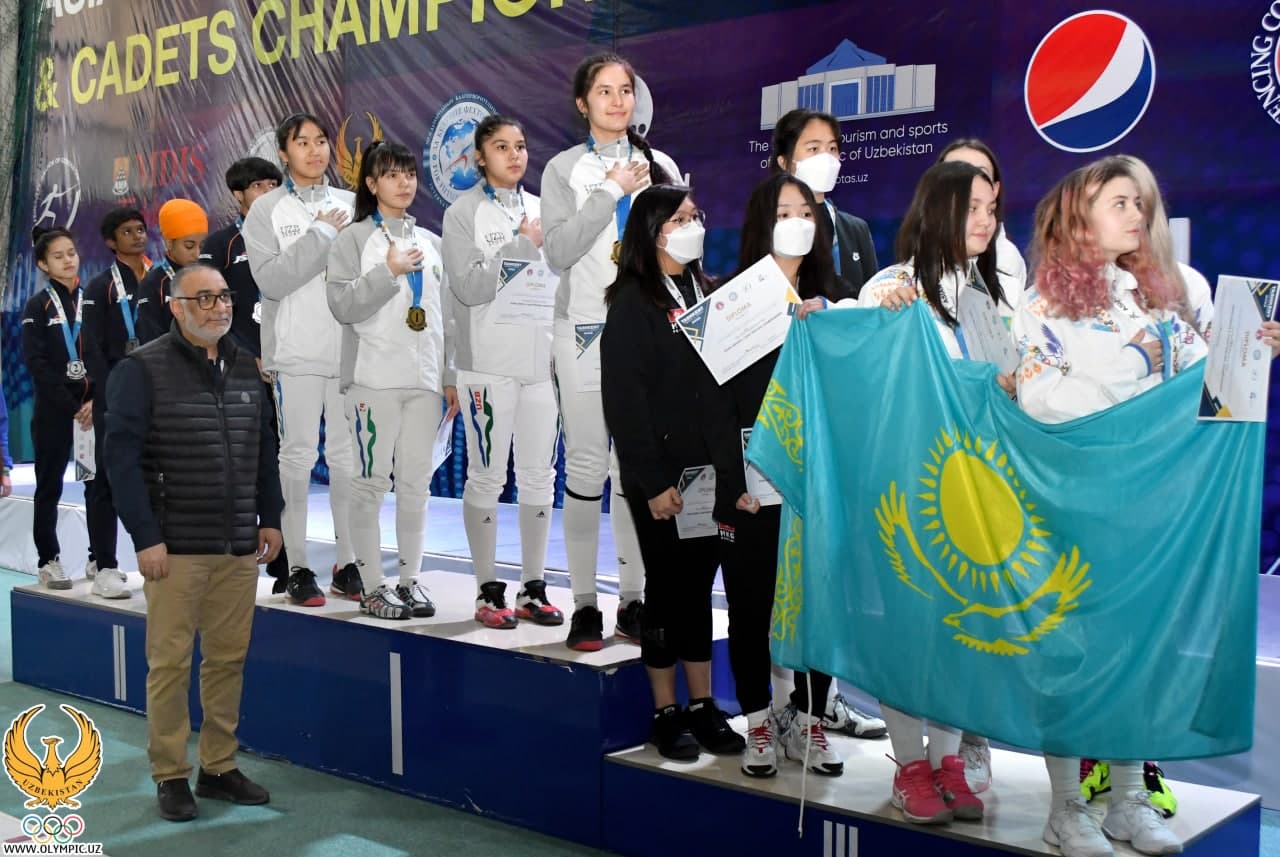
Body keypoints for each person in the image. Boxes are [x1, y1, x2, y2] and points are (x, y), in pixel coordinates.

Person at [856, 160, 1007, 824]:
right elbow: (859, 372)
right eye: (972, 207)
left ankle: (948, 763)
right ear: (938, 209)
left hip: (974, 493)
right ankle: (909, 766)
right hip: (906, 494)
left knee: (959, 633)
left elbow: (1003, 391)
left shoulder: (986, 299)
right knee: (909, 631)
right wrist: (875, 317)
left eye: (992, 209)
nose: (985, 221)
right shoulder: (891, 287)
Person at [105, 264, 283, 822]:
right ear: (176, 306)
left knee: (227, 660)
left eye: (224, 297)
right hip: (175, 548)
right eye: (203, 298)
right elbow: (120, 461)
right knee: (170, 665)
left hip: (238, 547)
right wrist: (146, 537)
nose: (219, 307)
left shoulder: (247, 365)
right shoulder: (141, 369)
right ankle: (170, 774)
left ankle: (219, 767)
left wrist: (270, 517)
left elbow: (264, 449)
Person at [600, 184, 744, 760]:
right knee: (666, 588)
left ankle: (703, 705)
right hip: (660, 477)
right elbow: (625, 403)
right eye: (681, 219)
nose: (694, 225)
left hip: (708, 470)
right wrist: (654, 482)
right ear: (653, 231)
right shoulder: (632, 303)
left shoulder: (706, 291)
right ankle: (665, 710)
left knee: (698, 588)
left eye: (695, 216)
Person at [542, 52, 680, 651]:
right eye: (604, 90)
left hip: (646, 330)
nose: (618, 100)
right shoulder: (563, 169)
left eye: (625, 90)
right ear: (583, 103)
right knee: (586, 467)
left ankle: (633, 599)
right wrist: (608, 192)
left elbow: (681, 247)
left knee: (636, 470)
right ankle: (583, 605)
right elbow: (558, 251)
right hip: (585, 327)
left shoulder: (661, 164)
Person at [719, 173, 847, 779]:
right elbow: (715, 403)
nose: (796, 221)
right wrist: (730, 481)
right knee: (751, 608)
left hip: (816, 484)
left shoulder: (835, 300)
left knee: (818, 605)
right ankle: (759, 722)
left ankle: (812, 720)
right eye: (782, 212)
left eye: (805, 211)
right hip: (754, 482)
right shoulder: (732, 302)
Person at [442, 115, 564, 628]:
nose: (514, 155)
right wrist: (519, 246)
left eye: (520, 145)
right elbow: (467, 287)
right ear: (479, 156)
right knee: (488, 476)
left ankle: (533, 587)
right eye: (501, 146)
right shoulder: (462, 214)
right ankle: (488, 589)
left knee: (539, 476)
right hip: (488, 365)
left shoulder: (543, 209)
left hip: (541, 364)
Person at [326, 141, 456, 620]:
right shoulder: (353, 240)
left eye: (409, 174)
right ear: (371, 183)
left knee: (417, 485)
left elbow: (445, 317)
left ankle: (409, 580)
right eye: (392, 174)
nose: (404, 183)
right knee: (370, 485)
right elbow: (342, 306)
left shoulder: (432, 242)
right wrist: (388, 271)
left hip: (424, 383)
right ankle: (372, 587)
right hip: (372, 380)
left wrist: (449, 376)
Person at [243, 112, 360, 607]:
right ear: (283, 152)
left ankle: (348, 563)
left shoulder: (352, 204)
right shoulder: (266, 210)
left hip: (350, 351)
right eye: (302, 142)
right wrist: (320, 236)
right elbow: (272, 281)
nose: (314, 151)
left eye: (321, 141)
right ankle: (298, 567)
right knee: (297, 457)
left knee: (348, 458)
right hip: (295, 352)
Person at [199, 156, 291, 593]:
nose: (269, 192)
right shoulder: (222, 243)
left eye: (274, 184)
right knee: (249, 458)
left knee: (289, 460)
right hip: (242, 368)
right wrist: (244, 355)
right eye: (258, 186)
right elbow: (208, 308)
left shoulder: (295, 234)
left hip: (293, 363)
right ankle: (236, 555)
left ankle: (289, 563)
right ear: (238, 195)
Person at [81, 208, 151, 599]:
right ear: (111, 242)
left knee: (160, 476)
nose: (137, 236)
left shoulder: (159, 277)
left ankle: (165, 558)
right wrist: (107, 392)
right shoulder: (100, 287)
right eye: (127, 231)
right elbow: (90, 345)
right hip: (115, 394)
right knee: (106, 479)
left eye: (141, 229)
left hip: (159, 392)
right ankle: (104, 565)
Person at [20, 227, 93, 591]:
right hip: (54, 411)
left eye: (72, 253)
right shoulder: (37, 307)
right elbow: (37, 363)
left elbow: (105, 354)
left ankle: (100, 557)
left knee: (96, 485)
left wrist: (95, 400)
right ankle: (48, 560)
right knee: (49, 487)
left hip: (91, 412)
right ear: (43, 264)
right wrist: (71, 405)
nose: (68, 260)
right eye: (58, 256)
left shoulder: (91, 301)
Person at [770, 108, 879, 296]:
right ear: (784, 161)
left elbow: (871, 297)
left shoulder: (855, 228)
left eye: (832, 148)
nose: (826, 157)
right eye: (814, 149)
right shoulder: (768, 220)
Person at [939, 138, 1028, 308]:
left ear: (995, 189)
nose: (970, 184)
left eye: (981, 174)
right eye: (955, 175)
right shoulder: (902, 274)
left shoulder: (1006, 262)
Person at [135, 199, 207, 344]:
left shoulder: (210, 278)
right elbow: (151, 341)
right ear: (168, 243)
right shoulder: (153, 285)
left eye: (202, 246)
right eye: (189, 246)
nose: (197, 254)